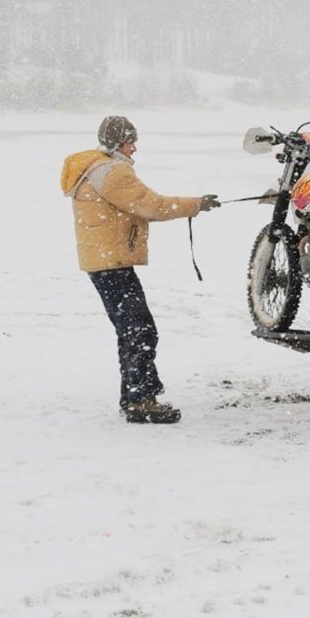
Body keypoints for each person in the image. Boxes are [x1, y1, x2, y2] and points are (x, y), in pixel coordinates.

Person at [61, 115, 220, 423]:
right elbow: (152, 205)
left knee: (131, 330)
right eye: (131, 141)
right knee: (140, 330)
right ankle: (140, 400)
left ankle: (134, 395)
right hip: (111, 264)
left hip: (104, 262)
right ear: (119, 143)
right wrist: (196, 204)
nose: (135, 148)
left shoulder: (94, 166)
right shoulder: (112, 171)